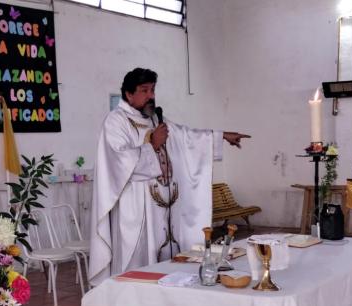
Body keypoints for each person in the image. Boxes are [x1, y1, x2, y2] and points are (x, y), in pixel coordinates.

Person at [89, 68, 249, 286]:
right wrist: (152, 144)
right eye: (144, 90)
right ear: (128, 94)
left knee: (166, 262)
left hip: (164, 207)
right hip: (135, 210)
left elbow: (186, 137)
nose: (151, 96)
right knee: (138, 266)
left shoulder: (155, 118)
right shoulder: (115, 122)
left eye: (153, 90)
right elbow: (118, 162)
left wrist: (221, 137)